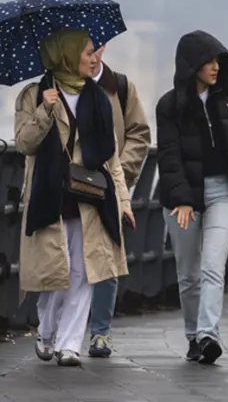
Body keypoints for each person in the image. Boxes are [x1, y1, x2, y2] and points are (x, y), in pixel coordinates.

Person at [15, 29, 133, 367]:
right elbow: (24, 143)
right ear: (67, 55)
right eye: (88, 53)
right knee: (55, 273)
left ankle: (69, 344)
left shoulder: (99, 97)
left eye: (95, 52)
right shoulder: (34, 95)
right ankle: (47, 331)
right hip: (49, 195)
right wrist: (45, 111)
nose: (95, 58)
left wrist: (123, 201)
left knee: (84, 272)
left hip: (91, 195)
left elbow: (111, 158)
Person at [155, 30, 228, 365]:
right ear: (191, 65)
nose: (215, 67)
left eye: (218, 60)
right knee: (188, 273)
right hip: (183, 198)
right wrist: (182, 199)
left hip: (223, 193)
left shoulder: (227, 100)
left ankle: (207, 334)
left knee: (214, 265)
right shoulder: (170, 106)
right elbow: (169, 157)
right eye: (208, 61)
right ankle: (193, 336)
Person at [85, 43, 151, 358]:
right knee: (71, 256)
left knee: (108, 254)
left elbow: (139, 133)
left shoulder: (120, 87)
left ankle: (100, 332)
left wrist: (119, 174)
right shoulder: (62, 86)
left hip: (111, 186)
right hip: (73, 184)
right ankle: (67, 330)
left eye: (96, 47)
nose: (92, 53)